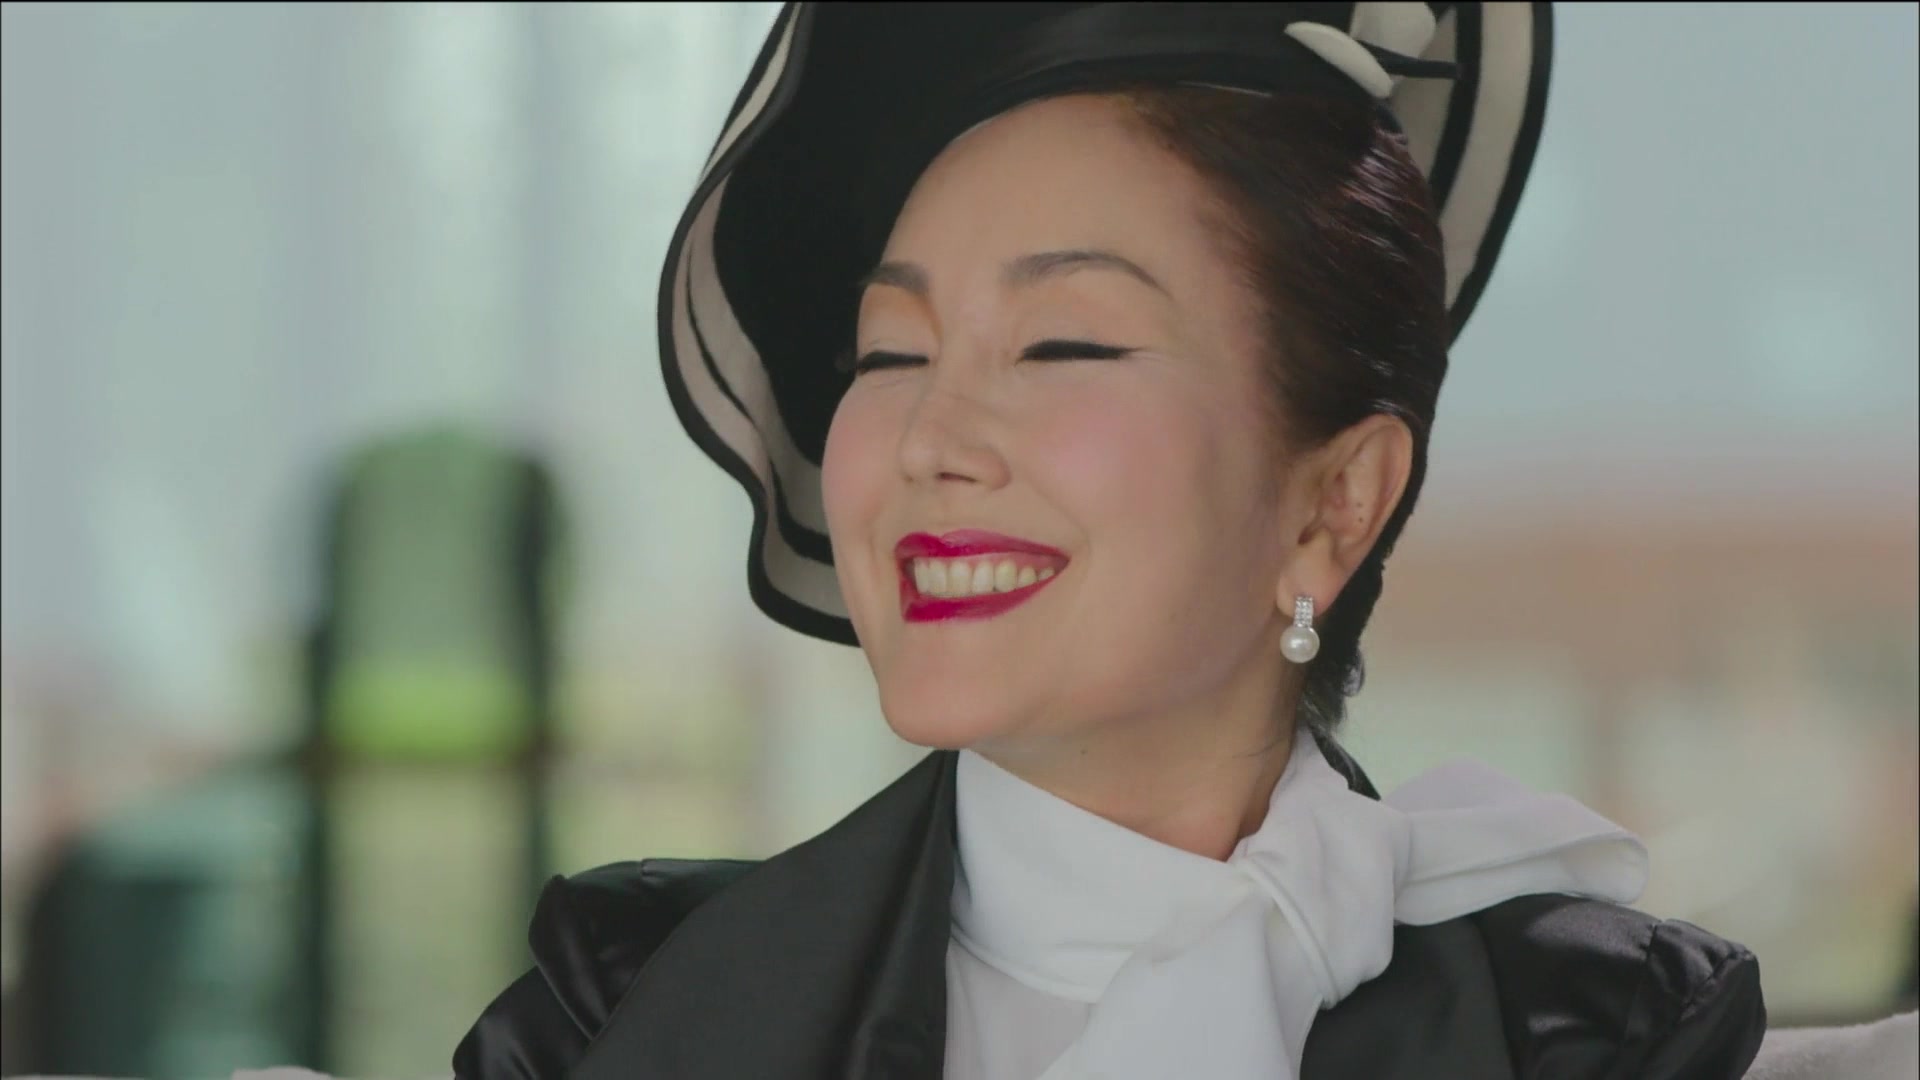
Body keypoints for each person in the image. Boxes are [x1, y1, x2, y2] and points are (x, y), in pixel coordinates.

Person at [454, 3, 1768, 1077]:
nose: (929, 438)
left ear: (1336, 502)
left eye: (1061, 343)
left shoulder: (1588, 1036)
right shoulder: (623, 1008)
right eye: (890, 353)